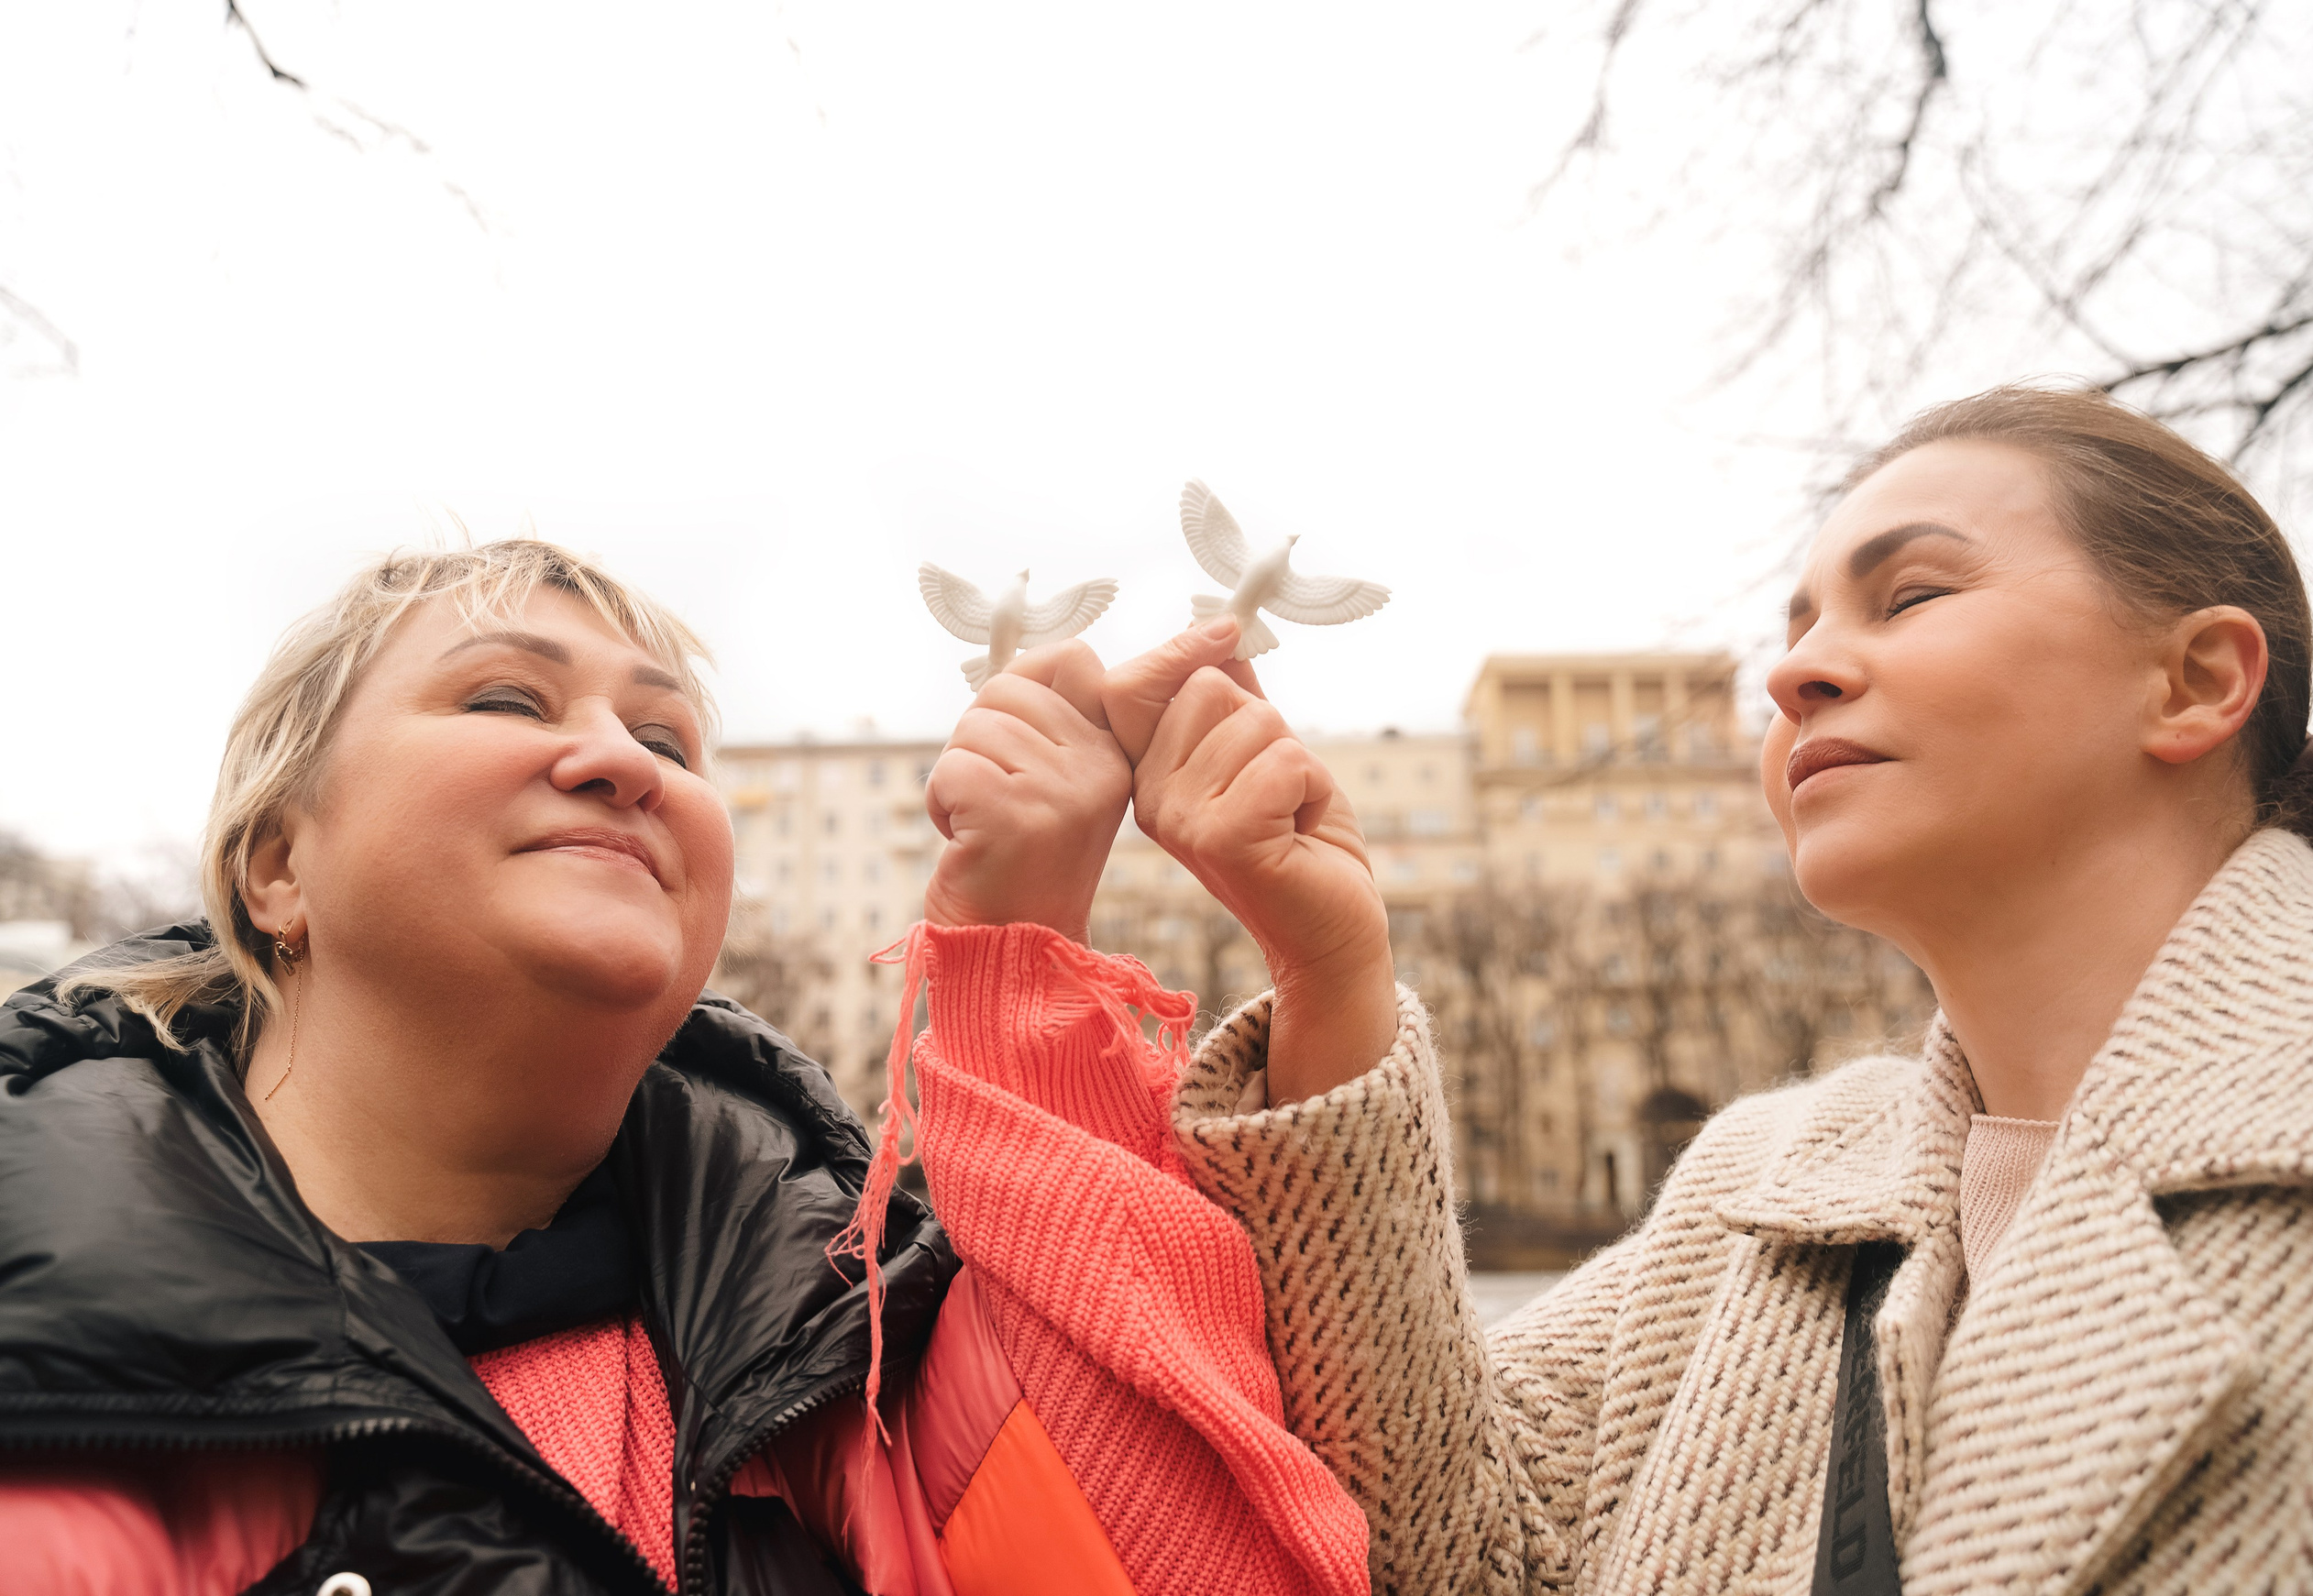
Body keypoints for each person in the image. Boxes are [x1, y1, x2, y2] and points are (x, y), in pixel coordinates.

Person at [1129, 384, 2313, 1594]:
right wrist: (1333, 970)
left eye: (1911, 594)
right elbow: (1444, 1544)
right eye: (1797, 626)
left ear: (2193, 683)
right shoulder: (1755, 1184)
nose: (1794, 674)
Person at [0, 542, 1369, 1596]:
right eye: (504, 696)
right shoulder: (48, 1370)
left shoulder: (854, 1337)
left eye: (667, 738)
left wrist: (1016, 959)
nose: (618, 759)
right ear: (278, 863)